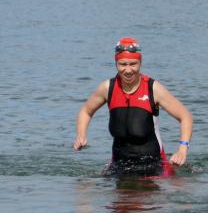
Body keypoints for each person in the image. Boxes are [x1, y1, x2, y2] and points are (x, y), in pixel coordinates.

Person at [73, 37, 193, 176]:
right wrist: (81, 135)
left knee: (177, 185)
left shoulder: (153, 89)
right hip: (119, 164)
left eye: (133, 64)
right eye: (123, 64)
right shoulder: (108, 88)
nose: (128, 70)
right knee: (84, 185)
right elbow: (86, 111)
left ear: (140, 63)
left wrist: (182, 149)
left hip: (153, 164)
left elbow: (185, 117)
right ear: (116, 63)